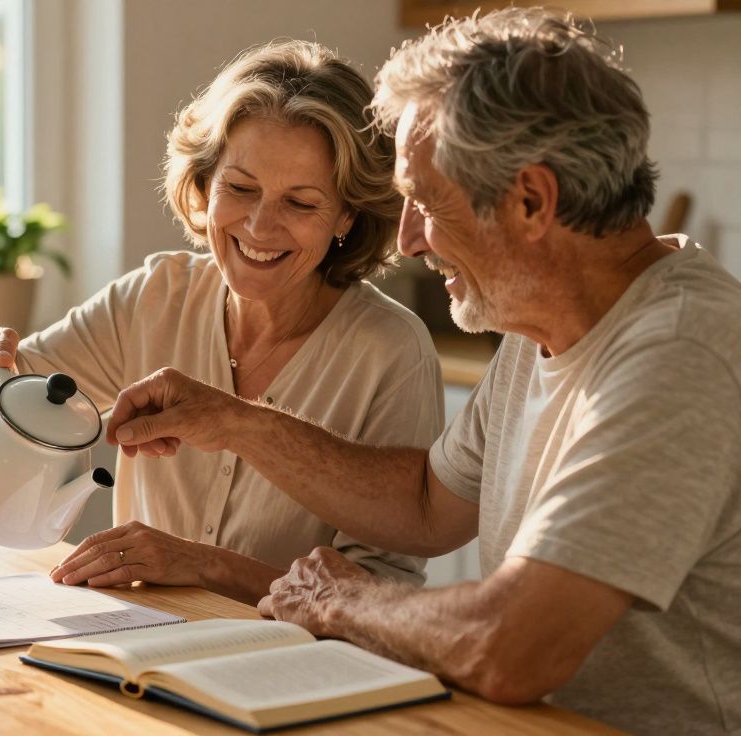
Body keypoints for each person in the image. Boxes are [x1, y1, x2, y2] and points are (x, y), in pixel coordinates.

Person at [102, 9, 741, 734]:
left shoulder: (677, 355)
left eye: (427, 202)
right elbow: (425, 503)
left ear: (532, 201)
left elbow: (513, 648)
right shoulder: (546, 324)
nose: (407, 239)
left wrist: (344, 603)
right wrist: (234, 421)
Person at [0, 40, 444, 604]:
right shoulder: (155, 296)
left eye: (300, 203)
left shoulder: (391, 351)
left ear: (346, 213)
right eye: (240, 188)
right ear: (204, 184)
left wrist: (206, 567)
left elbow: (382, 593)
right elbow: (4, 399)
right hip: (142, 640)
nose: (260, 226)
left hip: (294, 654)